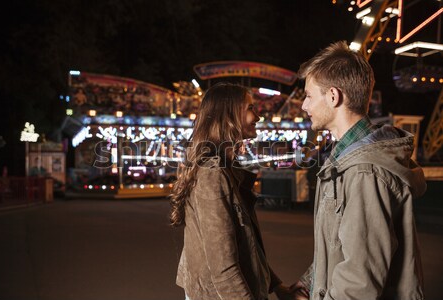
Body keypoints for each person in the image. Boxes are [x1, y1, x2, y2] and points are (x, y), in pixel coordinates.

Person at [290, 41, 426, 300]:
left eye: (308, 96)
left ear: (333, 96)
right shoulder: (345, 159)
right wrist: (311, 281)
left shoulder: (365, 171)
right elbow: (340, 246)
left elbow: (358, 283)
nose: (304, 106)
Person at [170, 83, 291, 300]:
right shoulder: (212, 174)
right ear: (229, 115)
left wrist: (278, 286)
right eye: (251, 108)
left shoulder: (226, 169)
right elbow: (223, 268)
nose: (259, 115)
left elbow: (247, 247)